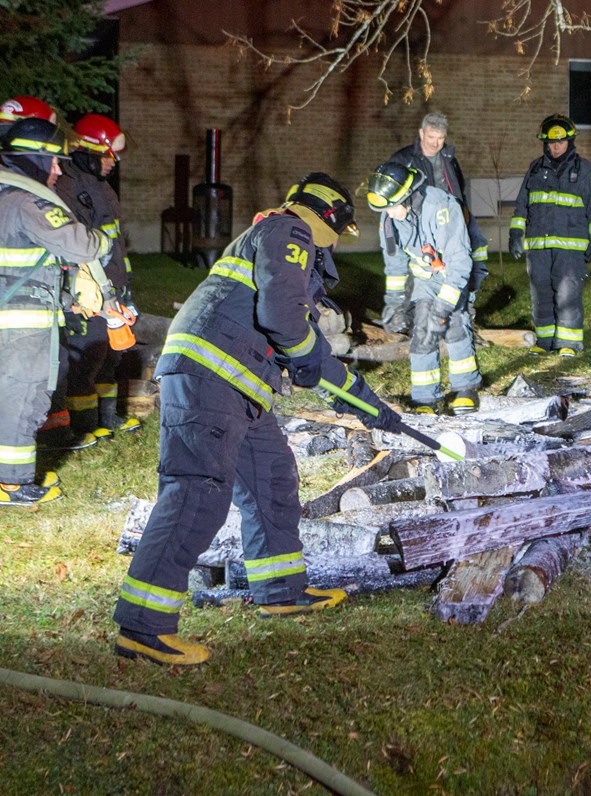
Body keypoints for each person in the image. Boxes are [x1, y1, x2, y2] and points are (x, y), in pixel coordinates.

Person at [112, 173, 401, 665]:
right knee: (197, 492)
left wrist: (360, 397)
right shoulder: (289, 234)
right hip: (211, 376)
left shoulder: (284, 246)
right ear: (329, 219)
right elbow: (285, 322)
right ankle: (143, 626)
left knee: (271, 478)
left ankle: (281, 591)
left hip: (238, 384)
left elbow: (301, 344)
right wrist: (312, 361)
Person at [0, 119, 110, 506]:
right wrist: (104, 238)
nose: (59, 171)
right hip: (20, 325)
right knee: (23, 396)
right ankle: (10, 484)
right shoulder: (26, 201)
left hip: (11, 314)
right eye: (53, 162)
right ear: (33, 159)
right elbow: (82, 245)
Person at [44, 114, 142, 451]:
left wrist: (123, 285)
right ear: (86, 152)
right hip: (87, 290)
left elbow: (114, 243)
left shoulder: (101, 187)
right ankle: (81, 424)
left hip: (113, 286)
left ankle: (107, 416)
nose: (112, 162)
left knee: (111, 353)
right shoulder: (66, 188)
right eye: (107, 155)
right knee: (86, 356)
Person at [363, 161, 481, 414]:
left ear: (408, 196)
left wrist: (443, 306)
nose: (391, 214)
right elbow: (394, 263)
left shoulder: (442, 207)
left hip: (453, 273)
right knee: (423, 333)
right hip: (424, 280)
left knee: (454, 326)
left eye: (394, 207)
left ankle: (465, 389)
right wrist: (394, 302)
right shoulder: (389, 218)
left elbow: (460, 263)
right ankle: (426, 398)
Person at [509, 114, 591, 357]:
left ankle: (569, 344)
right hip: (538, 247)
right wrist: (515, 232)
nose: (555, 146)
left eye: (560, 142)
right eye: (551, 142)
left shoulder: (585, 171)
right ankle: (545, 342)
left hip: (571, 248)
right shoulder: (535, 170)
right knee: (541, 294)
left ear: (570, 141)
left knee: (567, 294)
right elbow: (522, 205)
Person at [383, 111, 488, 334]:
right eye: (431, 137)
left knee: (468, 261)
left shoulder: (449, 158)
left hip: (452, 221)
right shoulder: (404, 160)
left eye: (440, 138)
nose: (435, 143)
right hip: (424, 226)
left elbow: (458, 190)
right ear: (421, 133)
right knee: (421, 274)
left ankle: (464, 314)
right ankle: (414, 320)